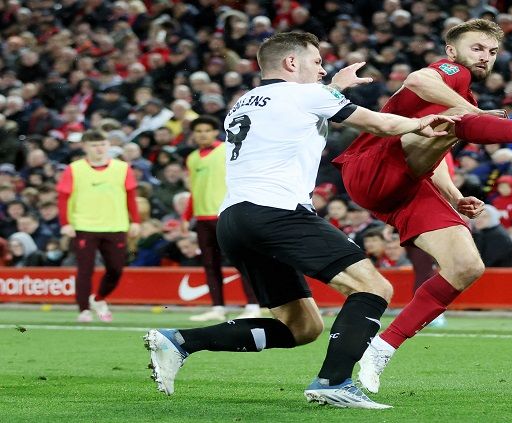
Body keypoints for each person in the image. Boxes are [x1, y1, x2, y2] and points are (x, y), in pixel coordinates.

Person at [143, 32, 458, 409]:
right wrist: (426, 123)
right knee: (374, 288)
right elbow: (383, 125)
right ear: (292, 63)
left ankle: (180, 342)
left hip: (234, 220)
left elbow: (305, 104)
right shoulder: (309, 95)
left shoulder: (243, 101)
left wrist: (334, 87)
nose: (323, 69)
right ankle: (333, 382)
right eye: (317, 62)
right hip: (277, 212)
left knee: (303, 327)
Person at [332, 19, 512, 394]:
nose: (485, 57)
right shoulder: (452, 74)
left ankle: (382, 348)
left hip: (406, 185)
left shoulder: (464, 101)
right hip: (370, 166)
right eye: (477, 48)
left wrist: (452, 195)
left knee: (466, 266)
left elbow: (436, 156)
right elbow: (418, 81)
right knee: (453, 121)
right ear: (452, 51)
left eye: (493, 51)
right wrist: (472, 113)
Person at [181, 115, 261, 322]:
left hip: (227, 214)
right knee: (210, 264)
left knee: (242, 261)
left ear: (216, 132)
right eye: (198, 131)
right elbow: (194, 189)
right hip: (202, 218)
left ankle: (253, 305)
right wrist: (186, 216)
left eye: (206, 130)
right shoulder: (192, 158)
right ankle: (217, 307)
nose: (202, 134)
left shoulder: (228, 150)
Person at [56, 129, 141, 323]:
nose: (99, 149)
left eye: (102, 144)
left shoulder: (122, 168)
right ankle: (83, 310)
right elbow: (63, 197)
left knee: (116, 269)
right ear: (85, 147)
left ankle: (99, 298)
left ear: (109, 145)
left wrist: (135, 221)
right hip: (84, 225)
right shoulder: (74, 168)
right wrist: (65, 223)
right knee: (85, 269)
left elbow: (131, 196)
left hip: (116, 225)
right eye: (94, 145)